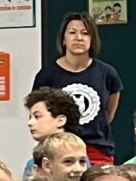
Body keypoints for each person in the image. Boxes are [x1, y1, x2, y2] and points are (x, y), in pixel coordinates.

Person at [33, 13, 122, 162]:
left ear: (92, 39)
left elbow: (108, 113)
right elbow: (38, 114)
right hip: (58, 148)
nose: (79, 38)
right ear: (63, 39)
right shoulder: (47, 76)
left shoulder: (107, 73)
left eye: (85, 33)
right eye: (72, 32)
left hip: (97, 148)